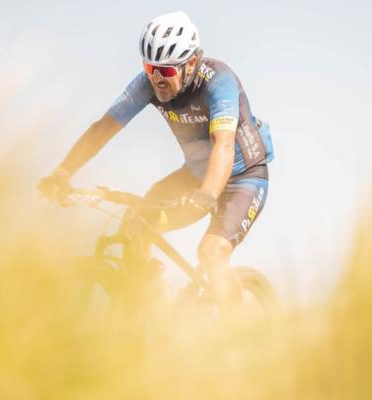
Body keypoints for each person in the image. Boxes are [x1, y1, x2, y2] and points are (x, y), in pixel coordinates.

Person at [38, 11, 274, 306]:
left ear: (191, 63)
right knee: (136, 222)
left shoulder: (218, 81)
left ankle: (237, 328)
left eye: (166, 71)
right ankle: (144, 308)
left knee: (211, 253)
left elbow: (223, 145)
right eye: (150, 68)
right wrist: (62, 172)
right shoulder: (148, 83)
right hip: (196, 175)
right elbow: (103, 129)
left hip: (243, 178)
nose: (157, 79)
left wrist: (206, 195)